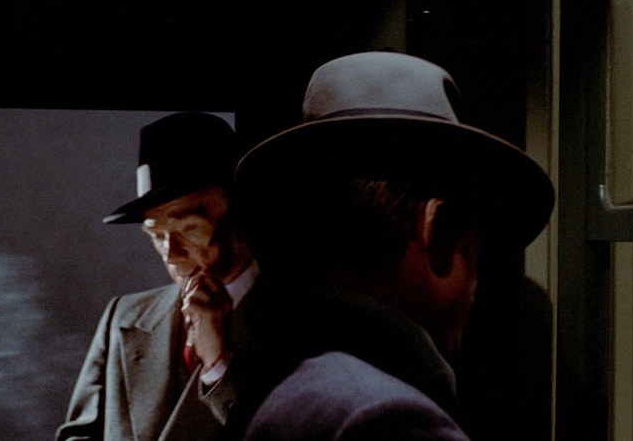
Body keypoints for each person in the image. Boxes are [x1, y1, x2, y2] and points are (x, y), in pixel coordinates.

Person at [224, 51, 555, 439]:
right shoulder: (390, 418)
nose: (474, 285)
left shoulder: (269, 389)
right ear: (441, 233)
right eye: (472, 250)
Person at [56, 112, 259, 441]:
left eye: (189, 228)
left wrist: (218, 364)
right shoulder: (123, 317)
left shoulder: (302, 322)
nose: (171, 252)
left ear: (241, 217)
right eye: (156, 234)